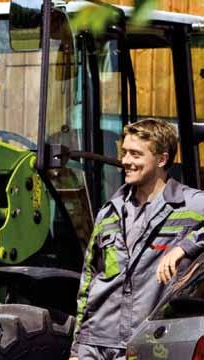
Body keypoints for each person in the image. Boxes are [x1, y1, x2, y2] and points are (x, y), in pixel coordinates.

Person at [69, 118, 204, 360]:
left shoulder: (190, 204)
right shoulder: (109, 211)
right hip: (96, 342)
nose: (125, 161)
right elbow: (88, 280)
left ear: (162, 159)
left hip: (144, 345)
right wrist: (77, 347)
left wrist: (185, 247)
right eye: (124, 153)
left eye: (135, 154)